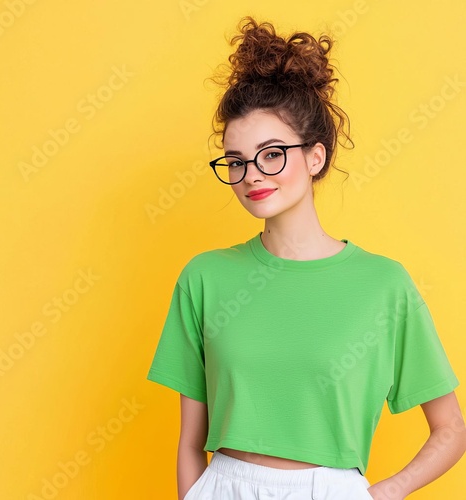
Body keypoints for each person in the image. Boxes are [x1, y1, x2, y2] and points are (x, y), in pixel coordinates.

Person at [146, 16, 466, 500]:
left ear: (315, 157)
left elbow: (451, 429)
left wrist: (381, 494)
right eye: (235, 160)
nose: (251, 173)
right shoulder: (205, 278)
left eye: (271, 154)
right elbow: (190, 443)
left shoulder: (383, 285)